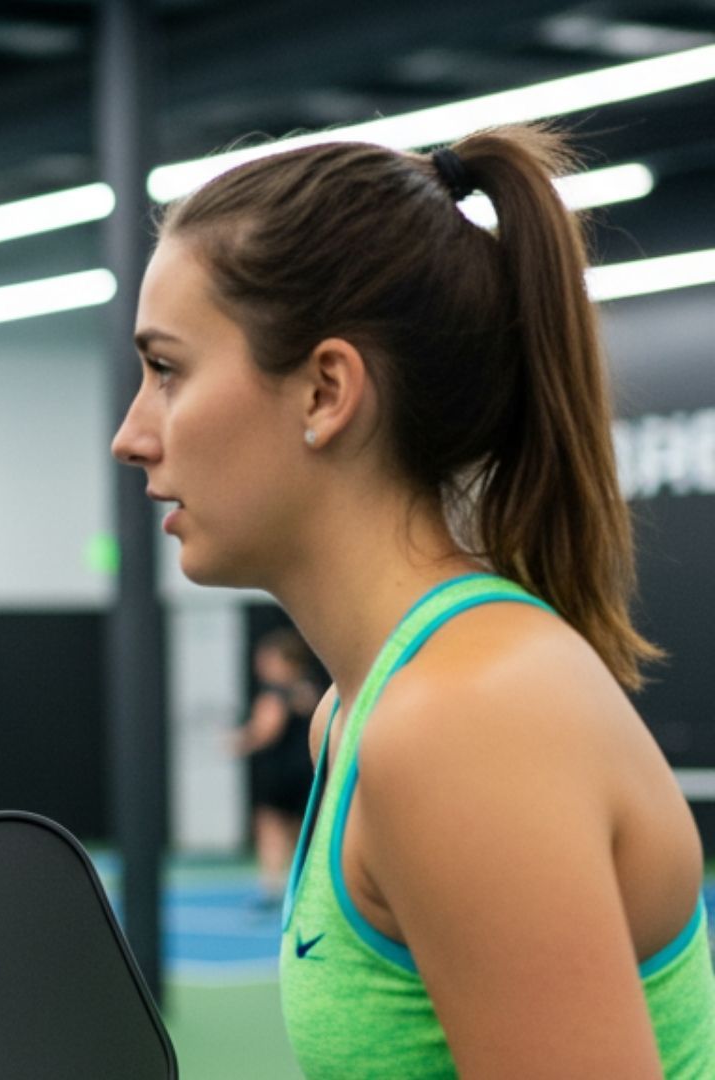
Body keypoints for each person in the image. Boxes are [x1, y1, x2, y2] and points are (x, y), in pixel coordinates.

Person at [112, 124, 715, 1077]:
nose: (132, 435)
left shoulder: (459, 724)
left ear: (325, 392)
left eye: (167, 370)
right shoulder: (354, 717)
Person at [233, 626, 319, 908]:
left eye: (267, 658)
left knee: (270, 825)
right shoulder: (308, 690)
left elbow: (266, 729)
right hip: (307, 771)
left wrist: (238, 741)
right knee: (301, 830)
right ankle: (304, 885)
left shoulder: (274, 693)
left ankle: (271, 887)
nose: (261, 664)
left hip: (279, 771)